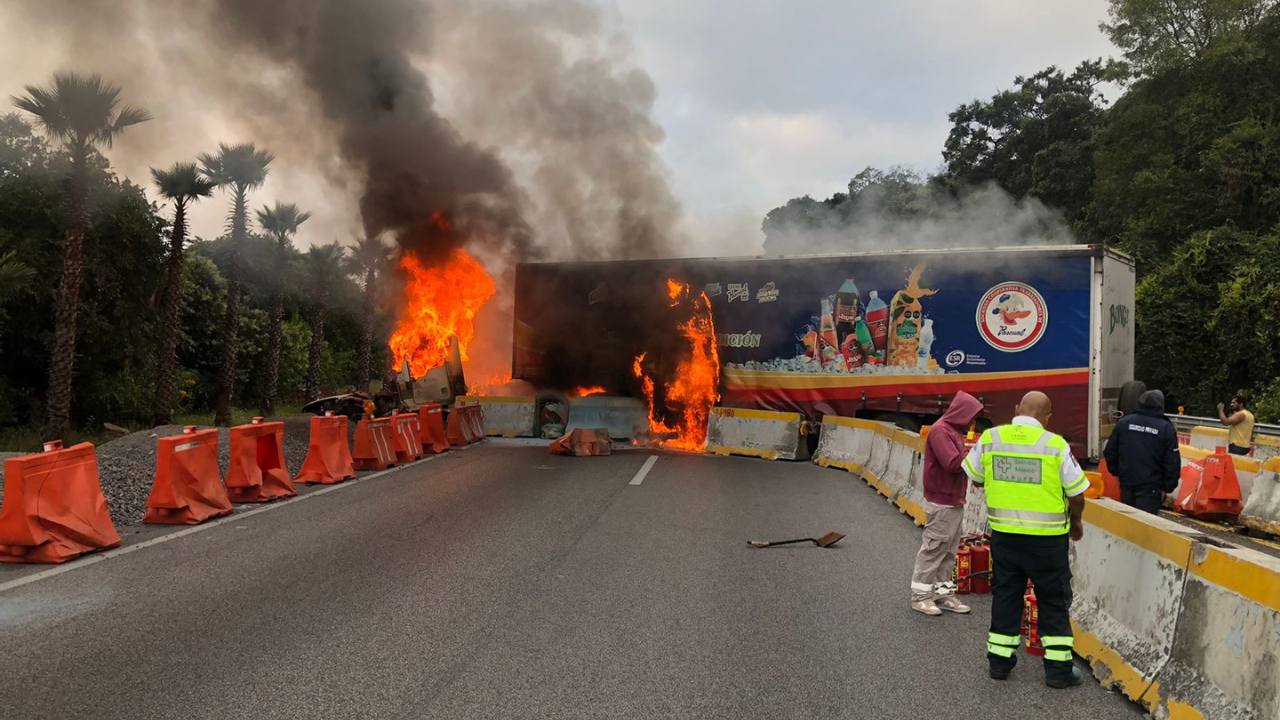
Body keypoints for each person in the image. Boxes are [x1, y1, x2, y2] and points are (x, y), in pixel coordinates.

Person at [963, 391, 1088, 689]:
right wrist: (1077, 521)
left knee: (1006, 594)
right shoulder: (1055, 444)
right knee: (1053, 600)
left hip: (1005, 536)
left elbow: (976, 478)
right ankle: (1058, 672)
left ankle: (999, 663)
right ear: (1047, 418)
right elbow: (1076, 493)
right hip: (1047, 541)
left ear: (1017, 409)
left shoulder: (991, 437)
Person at [911, 391, 984, 616]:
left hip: (952, 500)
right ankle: (920, 597)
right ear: (962, 413)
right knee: (934, 549)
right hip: (942, 502)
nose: (973, 422)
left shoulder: (952, 431)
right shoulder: (941, 431)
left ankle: (942, 594)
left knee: (949, 551)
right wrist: (980, 453)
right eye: (971, 416)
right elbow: (952, 463)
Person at [1102, 390, 1180, 514]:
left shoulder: (1124, 423)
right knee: (1145, 528)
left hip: (1127, 484)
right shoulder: (1165, 428)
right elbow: (1172, 463)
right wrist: (1167, 488)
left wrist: (1117, 474)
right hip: (1151, 489)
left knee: (1128, 525)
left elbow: (1110, 451)